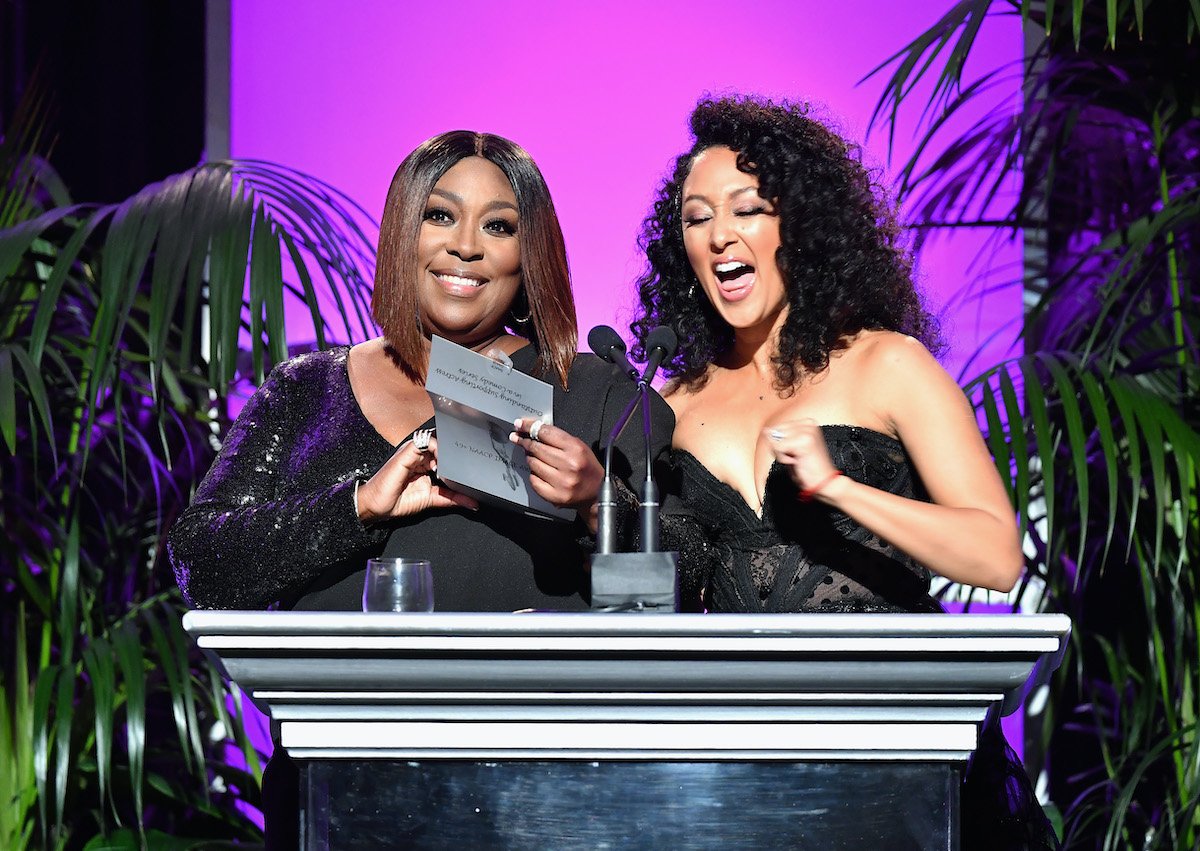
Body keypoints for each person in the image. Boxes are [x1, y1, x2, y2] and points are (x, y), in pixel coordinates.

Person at [630, 95, 1056, 849]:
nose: (720, 234)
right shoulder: (669, 404)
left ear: (801, 224)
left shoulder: (887, 362)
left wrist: (838, 487)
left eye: (748, 208)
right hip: (749, 769)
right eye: (697, 217)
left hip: (907, 750)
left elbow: (995, 555)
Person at [167, 129, 671, 615]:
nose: (466, 246)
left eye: (498, 226)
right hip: (343, 700)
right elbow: (201, 568)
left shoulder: (600, 395)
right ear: (403, 234)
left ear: (529, 256)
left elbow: (689, 578)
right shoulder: (306, 388)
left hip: (526, 700)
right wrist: (359, 506)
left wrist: (596, 502)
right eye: (439, 216)